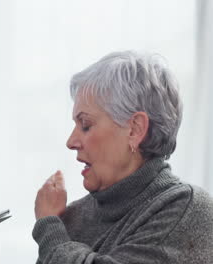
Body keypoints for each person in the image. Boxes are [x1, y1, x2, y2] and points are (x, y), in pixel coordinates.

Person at [33, 51, 213, 263]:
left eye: (86, 125)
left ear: (135, 130)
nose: (71, 141)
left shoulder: (189, 212)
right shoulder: (73, 216)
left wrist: (49, 227)